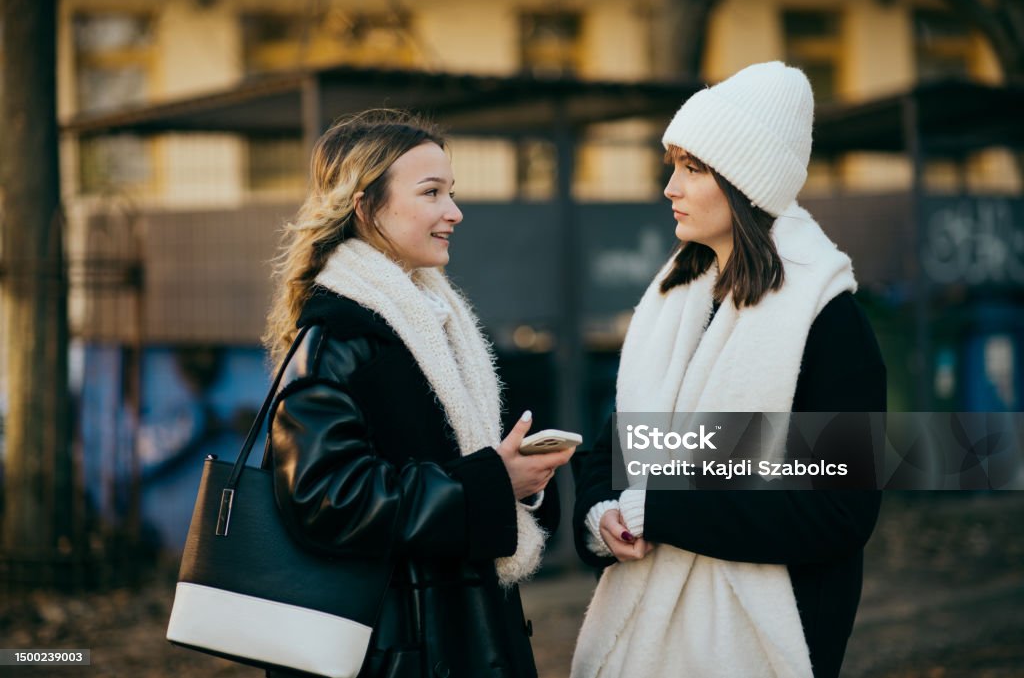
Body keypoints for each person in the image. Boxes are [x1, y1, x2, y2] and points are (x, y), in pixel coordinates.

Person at [571, 62, 886, 678]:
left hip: (769, 633)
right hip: (653, 631)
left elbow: (838, 513)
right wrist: (601, 513)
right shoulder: (672, 302)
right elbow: (615, 450)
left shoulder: (828, 321)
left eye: (693, 169)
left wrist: (659, 510)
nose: (671, 188)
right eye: (673, 166)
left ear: (746, 184)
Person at [261, 109, 574, 678]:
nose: (454, 212)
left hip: (455, 629)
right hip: (394, 647)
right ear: (364, 207)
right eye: (431, 193)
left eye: (451, 192)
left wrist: (520, 479)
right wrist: (492, 482)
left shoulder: (437, 323)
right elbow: (326, 497)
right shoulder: (338, 337)